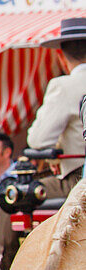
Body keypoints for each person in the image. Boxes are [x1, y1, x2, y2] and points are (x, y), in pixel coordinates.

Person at [28, 18, 86, 195]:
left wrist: (56, 157)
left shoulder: (63, 86)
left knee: (14, 196)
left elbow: (38, 140)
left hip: (78, 180)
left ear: (61, 56)